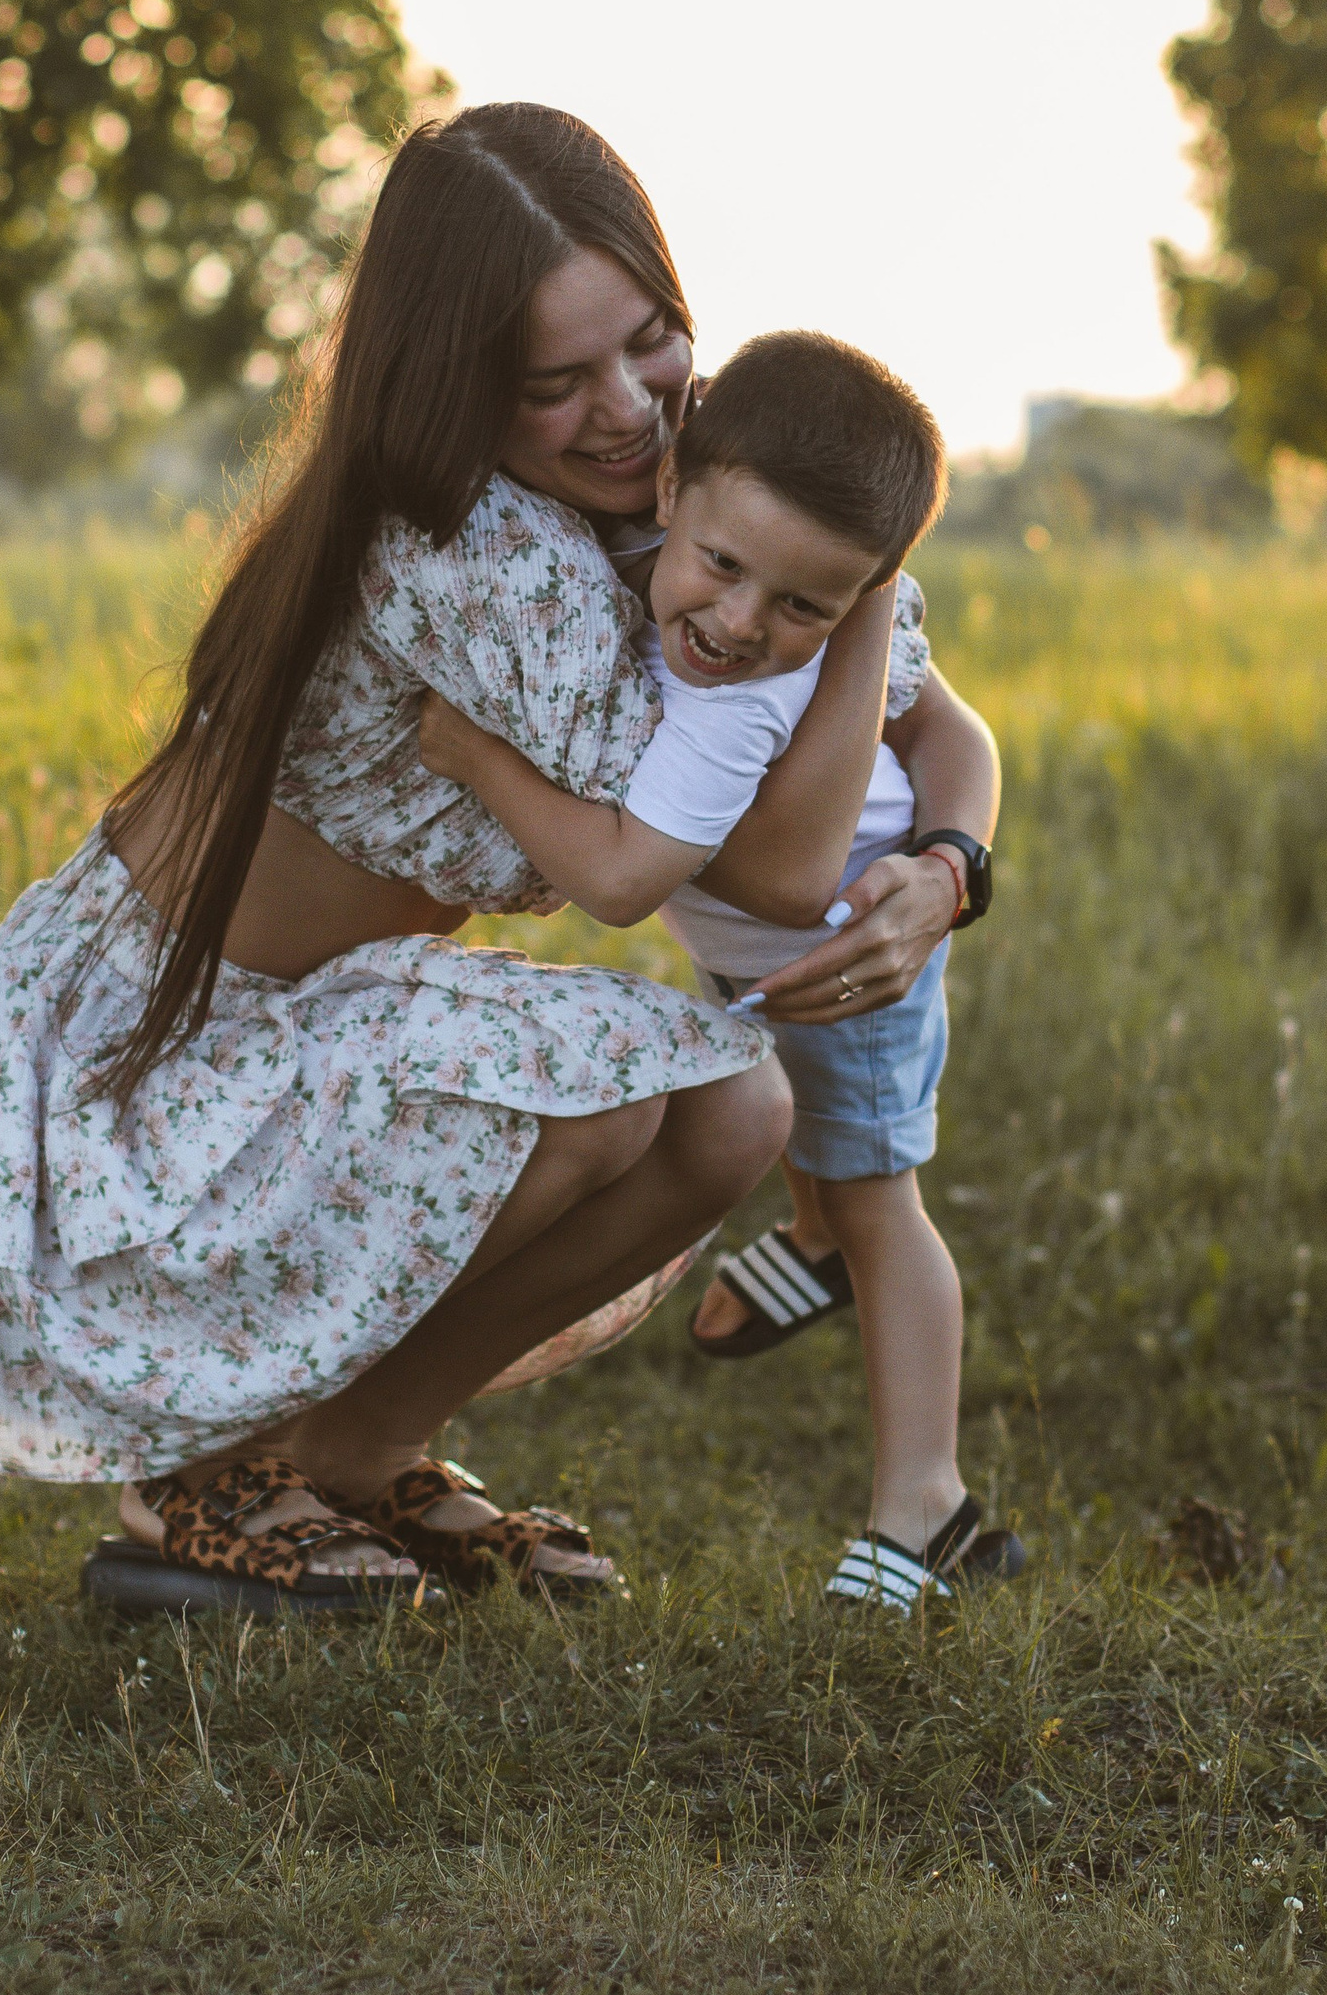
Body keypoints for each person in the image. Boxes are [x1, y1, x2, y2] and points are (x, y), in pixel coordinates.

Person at [0, 104, 938, 1611]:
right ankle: (203, 1473)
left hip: (328, 1025)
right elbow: (777, 867)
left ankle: (358, 1450)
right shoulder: (467, 549)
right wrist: (866, 572)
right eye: (556, 381)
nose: (630, 408)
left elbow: (947, 729)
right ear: (457, 387)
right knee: (681, 1100)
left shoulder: (694, 504)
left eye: (651, 339)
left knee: (720, 1113)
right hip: (167, 1053)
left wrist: (949, 863)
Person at [417, 329, 1017, 1613]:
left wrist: (480, 761)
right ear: (671, 486)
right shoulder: (680, 572)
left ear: (859, 598)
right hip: (752, 965)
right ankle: (808, 1237)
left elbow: (626, 880)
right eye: (724, 568)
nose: (742, 624)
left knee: (882, 1204)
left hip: (847, 962)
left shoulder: (734, 692)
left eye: (805, 604)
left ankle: (930, 1504)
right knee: (820, 1154)